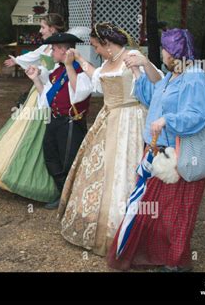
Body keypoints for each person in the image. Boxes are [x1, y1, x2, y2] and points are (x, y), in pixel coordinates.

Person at [107, 28, 205, 272]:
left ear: (175, 52)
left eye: (165, 49)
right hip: (159, 151)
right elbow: (152, 98)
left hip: (180, 155)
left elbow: (198, 114)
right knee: (155, 208)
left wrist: (168, 120)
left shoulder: (195, 77)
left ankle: (174, 262)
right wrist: (137, 71)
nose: (163, 53)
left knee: (176, 211)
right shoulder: (173, 75)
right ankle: (159, 255)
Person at [58, 23, 163, 256]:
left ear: (106, 43)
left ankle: (122, 230)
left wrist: (145, 63)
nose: (95, 51)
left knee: (123, 173)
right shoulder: (107, 62)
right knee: (99, 172)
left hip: (130, 120)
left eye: (96, 46)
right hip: (108, 117)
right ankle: (99, 225)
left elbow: (158, 83)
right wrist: (76, 62)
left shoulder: (132, 56)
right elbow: (97, 78)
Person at [0, 13, 66, 203]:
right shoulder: (45, 47)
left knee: (41, 139)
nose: (40, 30)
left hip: (50, 96)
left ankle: (43, 184)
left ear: (52, 28)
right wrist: (18, 61)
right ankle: (15, 172)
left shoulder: (62, 49)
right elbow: (34, 57)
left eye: (43, 27)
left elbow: (56, 72)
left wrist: (35, 70)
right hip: (38, 93)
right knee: (23, 135)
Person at [25, 32, 92, 209]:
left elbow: (80, 94)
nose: (52, 53)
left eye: (54, 49)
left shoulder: (81, 69)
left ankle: (71, 198)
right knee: (51, 156)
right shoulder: (57, 71)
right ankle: (63, 193)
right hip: (54, 121)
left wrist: (70, 65)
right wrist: (36, 80)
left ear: (64, 50)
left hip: (71, 123)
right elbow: (47, 98)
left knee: (68, 161)